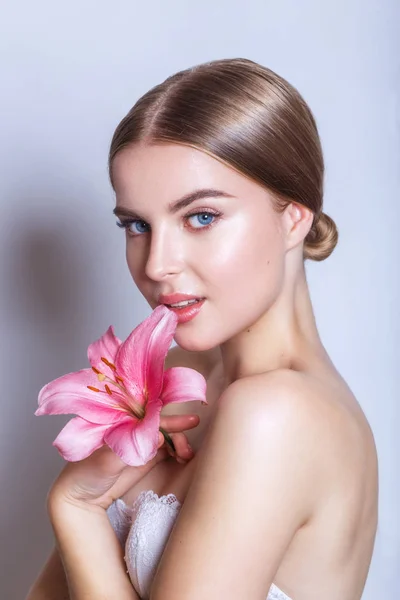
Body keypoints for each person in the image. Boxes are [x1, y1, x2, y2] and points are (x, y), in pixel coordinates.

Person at [27, 57, 378, 600]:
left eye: (201, 217)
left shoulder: (279, 413)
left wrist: (74, 509)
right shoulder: (175, 376)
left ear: (294, 216)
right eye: (137, 225)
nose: (156, 264)